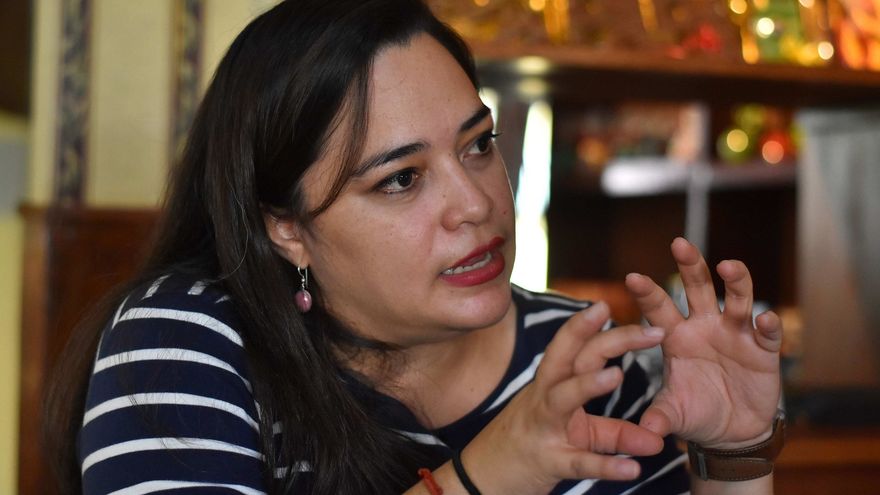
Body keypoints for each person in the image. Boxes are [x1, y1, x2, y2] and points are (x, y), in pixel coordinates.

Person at [44, 1, 784, 494]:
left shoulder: (582, 362)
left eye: (479, 144)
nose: (477, 203)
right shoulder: (187, 340)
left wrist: (735, 456)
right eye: (401, 178)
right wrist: (487, 474)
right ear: (286, 226)